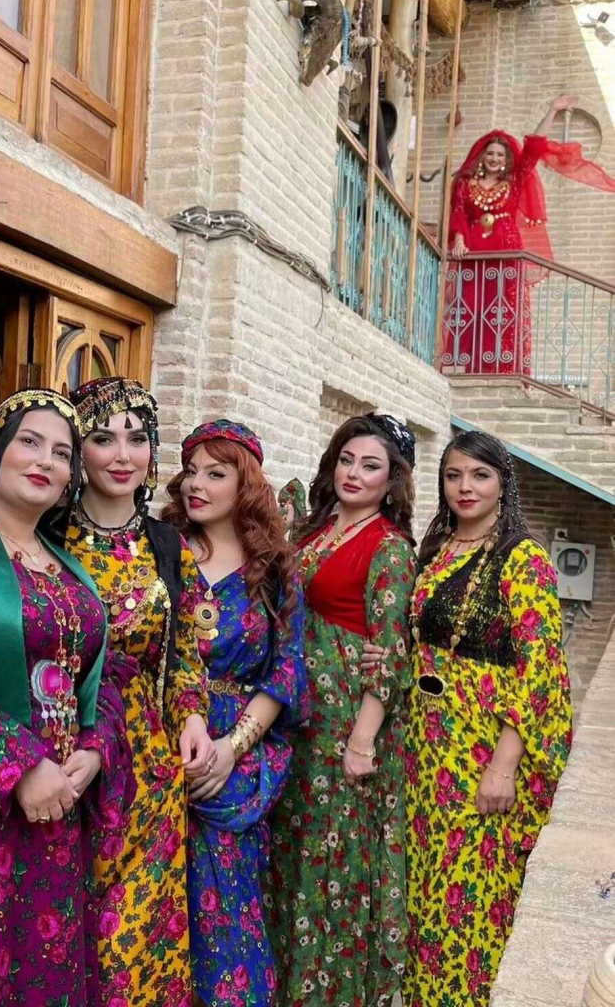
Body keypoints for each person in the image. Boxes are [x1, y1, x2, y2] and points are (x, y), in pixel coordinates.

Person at [0, 388, 134, 1007]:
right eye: (29, 442)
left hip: (61, 812)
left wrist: (96, 748)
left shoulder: (67, 566)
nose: (45, 460)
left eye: (62, 453)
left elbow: (103, 674)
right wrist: (20, 764)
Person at [389, 429, 572, 1007]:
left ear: (502, 483)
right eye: (453, 475)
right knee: (423, 893)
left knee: (466, 895)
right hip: (425, 750)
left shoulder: (523, 558)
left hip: (479, 752)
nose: (464, 487)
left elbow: (540, 669)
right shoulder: (438, 549)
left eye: (479, 475)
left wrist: (503, 766)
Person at [60, 377, 214, 1006]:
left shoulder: (168, 546)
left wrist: (193, 717)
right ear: (78, 451)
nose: (122, 455)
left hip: (148, 765)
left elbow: (185, 653)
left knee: (134, 933)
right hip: (64, 751)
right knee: (67, 926)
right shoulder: (47, 537)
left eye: (137, 438)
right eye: (103, 439)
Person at [268, 413, 417, 1007]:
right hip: (298, 717)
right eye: (347, 460)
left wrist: (361, 742)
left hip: (343, 726)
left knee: (333, 860)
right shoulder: (316, 529)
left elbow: (391, 653)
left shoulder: (390, 547)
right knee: (294, 849)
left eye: (370, 465)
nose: (354, 473)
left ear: (392, 479)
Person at [162, 420, 309, 1006]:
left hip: (235, 760)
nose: (196, 485)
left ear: (245, 484)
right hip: (157, 738)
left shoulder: (273, 568)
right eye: (191, 471)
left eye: (215, 474)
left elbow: (286, 670)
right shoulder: (160, 549)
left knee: (226, 910)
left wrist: (232, 748)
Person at [445, 93, 615, 375]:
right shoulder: (465, 183)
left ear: (506, 159)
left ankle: (503, 369)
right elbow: (459, 213)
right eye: (490, 154)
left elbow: (533, 148)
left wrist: (552, 111)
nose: (494, 158)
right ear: (482, 156)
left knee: (504, 310)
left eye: (500, 155)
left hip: (507, 252)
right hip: (474, 252)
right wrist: (460, 239)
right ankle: (471, 366)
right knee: (472, 307)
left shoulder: (515, 180)